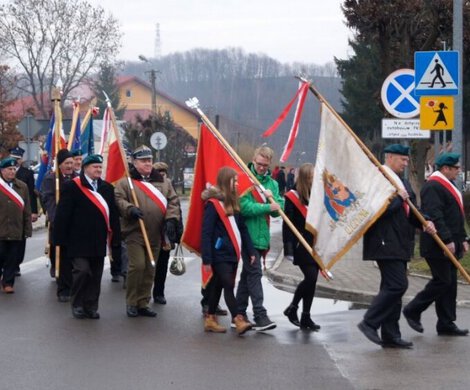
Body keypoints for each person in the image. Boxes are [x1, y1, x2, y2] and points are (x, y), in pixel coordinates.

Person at [357, 144, 436, 349]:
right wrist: (397, 198)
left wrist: (425, 221)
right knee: (397, 285)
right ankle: (369, 322)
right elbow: (374, 211)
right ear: (390, 157)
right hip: (384, 241)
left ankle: (391, 334)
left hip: (400, 241)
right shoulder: (379, 178)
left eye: (407, 160)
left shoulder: (401, 181)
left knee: (392, 287)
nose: (405, 163)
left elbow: (411, 210)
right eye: (402, 159)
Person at [403, 153, 469, 336]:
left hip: (452, 243)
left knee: (450, 284)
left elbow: (457, 215)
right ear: (446, 168)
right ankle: (412, 310)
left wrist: (463, 238)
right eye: (456, 168)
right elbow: (435, 215)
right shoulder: (433, 186)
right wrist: (447, 240)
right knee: (442, 281)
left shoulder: (449, 185)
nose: (459, 170)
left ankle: (446, 323)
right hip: (437, 244)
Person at [115, 145, 180, 318]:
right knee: (138, 265)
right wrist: (129, 209)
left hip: (155, 232)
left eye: (149, 160)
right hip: (135, 232)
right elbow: (118, 199)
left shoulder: (163, 182)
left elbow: (173, 201)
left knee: (150, 268)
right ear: (135, 162)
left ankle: (143, 302)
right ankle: (131, 302)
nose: (148, 164)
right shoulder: (126, 182)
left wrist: (171, 219)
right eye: (143, 161)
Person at [54, 154, 121, 319]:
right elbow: (63, 214)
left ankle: (91, 306)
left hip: (99, 239)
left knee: (96, 275)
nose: (98, 169)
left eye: (100, 167)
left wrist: (116, 238)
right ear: (85, 169)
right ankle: (77, 304)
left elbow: (113, 215)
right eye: (94, 167)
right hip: (78, 240)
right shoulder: (72, 187)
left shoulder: (106, 188)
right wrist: (59, 239)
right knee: (82, 271)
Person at [201, 167, 255, 335]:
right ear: (226, 181)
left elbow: (243, 229)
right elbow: (206, 232)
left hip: (232, 253)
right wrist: (207, 259)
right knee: (228, 284)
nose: (237, 184)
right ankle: (238, 319)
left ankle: (210, 318)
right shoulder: (213, 204)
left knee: (218, 284)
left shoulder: (233, 201)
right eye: (235, 181)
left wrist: (251, 250)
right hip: (219, 253)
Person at [236, 145, 284, 331]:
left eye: (265, 165)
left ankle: (239, 313)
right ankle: (259, 314)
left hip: (262, 236)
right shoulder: (245, 179)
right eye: (259, 163)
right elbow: (244, 207)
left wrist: (273, 200)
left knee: (248, 274)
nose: (262, 167)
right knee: (255, 272)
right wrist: (267, 205)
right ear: (254, 159)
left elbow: (278, 209)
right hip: (246, 236)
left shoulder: (272, 184)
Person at [282, 163, 320, 330]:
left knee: (313, 281)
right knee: (310, 277)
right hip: (300, 244)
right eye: (312, 177)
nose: (314, 180)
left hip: (315, 244)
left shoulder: (316, 195)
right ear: (305, 178)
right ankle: (293, 307)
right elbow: (287, 225)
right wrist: (288, 248)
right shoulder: (292, 197)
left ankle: (306, 316)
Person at [40, 149, 76, 301]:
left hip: (75, 225)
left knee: (74, 258)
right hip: (59, 224)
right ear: (59, 165)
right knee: (61, 257)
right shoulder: (51, 179)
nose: (70, 166)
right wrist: (57, 219)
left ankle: (74, 286)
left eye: (71, 163)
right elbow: (48, 200)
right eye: (66, 163)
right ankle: (63, 289)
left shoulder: (77, 178)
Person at [151, 161, 184, 304]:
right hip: (151, 229)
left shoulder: (169, 186)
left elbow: (176, 208)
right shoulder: (147, 187)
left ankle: (159, 292)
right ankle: (144, 293)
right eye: (159, 173)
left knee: (163, 264)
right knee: (148, 265)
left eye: (163, 173)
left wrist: (178, 231)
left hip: (166, 232)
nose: (162, 176)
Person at [0, 157, 32, 293]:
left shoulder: (22, 187)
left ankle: (8, 283)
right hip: (0, 229)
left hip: (16, 228)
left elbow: (27, 210)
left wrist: (27, 228)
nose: (12, 172)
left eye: (14, 169)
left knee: (13, 258)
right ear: (2, 170)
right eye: (9, 169)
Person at [9, 146, 38, 276]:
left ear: (21, 160)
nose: (15, 162)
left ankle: (16, 265)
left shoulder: (27, 173)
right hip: (6, 212)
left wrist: (34, 211)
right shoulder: (3, 172)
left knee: (21, 240)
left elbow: (31, 194)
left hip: (21, 211)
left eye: (17, 159)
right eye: (13, 158)